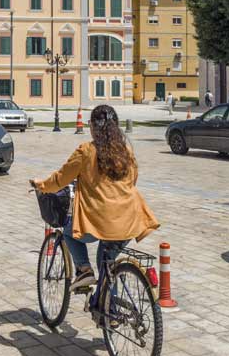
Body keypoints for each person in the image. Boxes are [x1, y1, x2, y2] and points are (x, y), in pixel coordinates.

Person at [32, 105, 159, 292]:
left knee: (68, 232)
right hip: (131, 219)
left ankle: (84, 270)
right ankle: (110, 313)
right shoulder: (126, 151)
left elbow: (60, 179)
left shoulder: (86, 151)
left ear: (92, 127)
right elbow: (133, 179)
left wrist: (41, 185)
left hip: (102, 220)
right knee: (107, 265)